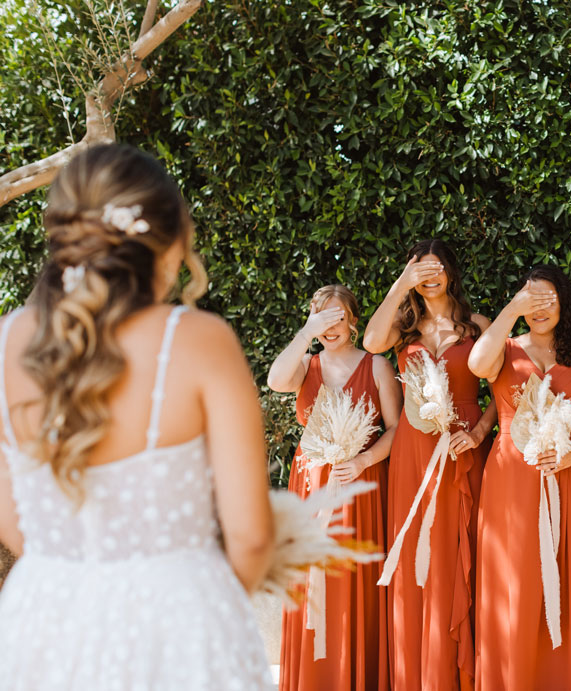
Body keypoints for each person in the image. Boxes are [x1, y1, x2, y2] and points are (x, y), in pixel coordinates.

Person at [0, 143, 273, 688]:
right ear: (172, 241)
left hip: (44, 624)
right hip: (180, 626)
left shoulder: (6, 341)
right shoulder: (199, 340)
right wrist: (203, 612)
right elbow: (251, 538)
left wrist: (81, 590)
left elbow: (15, 524)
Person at [469, 265, 571, 690]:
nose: (539, 308)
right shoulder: (503, 349)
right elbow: (477, 365)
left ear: (564, 302)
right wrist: (511, 310)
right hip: (512, 483)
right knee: (516, 584)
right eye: (530, 300)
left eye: (548, 299)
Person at [363, 239, 495, 690]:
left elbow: (503, 393)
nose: (429, 276)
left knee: (462, 549)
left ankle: (463, 670)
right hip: (414, 451)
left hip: (463, 446)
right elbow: (371, 341)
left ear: (451, 272)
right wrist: (402, 283)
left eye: (436, 267)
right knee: (417, 552)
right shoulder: (403, 329)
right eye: (420, 269)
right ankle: (421, 671)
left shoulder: (478, 325)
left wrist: (478, 434)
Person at [271, 284, 402, 690]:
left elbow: (397, 429)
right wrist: (305, 334)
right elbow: (275, 381)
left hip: (359, 485)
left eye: (337, 317)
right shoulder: (304, 365)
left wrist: (363, 461)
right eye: (321, 317)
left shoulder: (376, 366)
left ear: (353, 320)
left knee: (351, 579)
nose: (330, 326)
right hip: (311, 487)